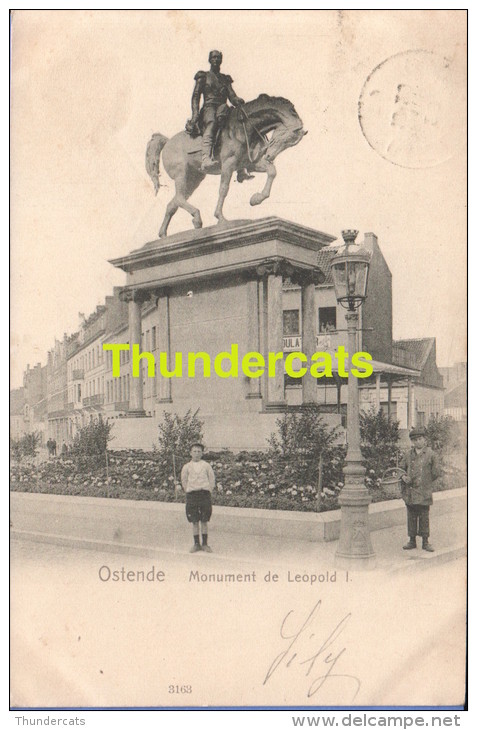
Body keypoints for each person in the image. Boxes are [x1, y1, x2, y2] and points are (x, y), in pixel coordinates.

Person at [186, 50, 251, 179]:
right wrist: (195, 115)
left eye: (218, 58)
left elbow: (232, 96)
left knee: (237, 128)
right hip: (209, 108)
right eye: (214, 57)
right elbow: (195, 97)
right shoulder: (203, 76)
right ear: (210, 60)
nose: (216, 60)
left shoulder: (225, 79)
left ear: (221, 60)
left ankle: (241, 168)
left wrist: (237, 100)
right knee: (212, 124)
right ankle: (205, 158)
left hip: (223, 108)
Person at [400, 427, 442, 552]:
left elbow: (436, 472)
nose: (417, 442)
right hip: (410, 491)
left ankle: (425, 542)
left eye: (419, 439)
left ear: (425, 440)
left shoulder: (431, 454)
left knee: (424, 516)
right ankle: (412, 541)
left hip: (424, 491)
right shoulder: (408, 454)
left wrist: (425, 481)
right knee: (411, 516)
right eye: (414, 440)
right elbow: (401, 469)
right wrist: (404, 476)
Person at [178, 443, 215, 553]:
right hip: (192, 496)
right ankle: (196, 544)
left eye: (199, 451)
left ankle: (205, 544)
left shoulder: (206, 466)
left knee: (204, 520)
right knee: (194, 520)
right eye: (194, 451)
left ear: (202, 453)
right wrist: (189, 490)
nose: (197, 453)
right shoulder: (187, 467)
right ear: (190, 453)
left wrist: (208, 490)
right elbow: (184, 481)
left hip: (204, 495)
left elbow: (211, 479)